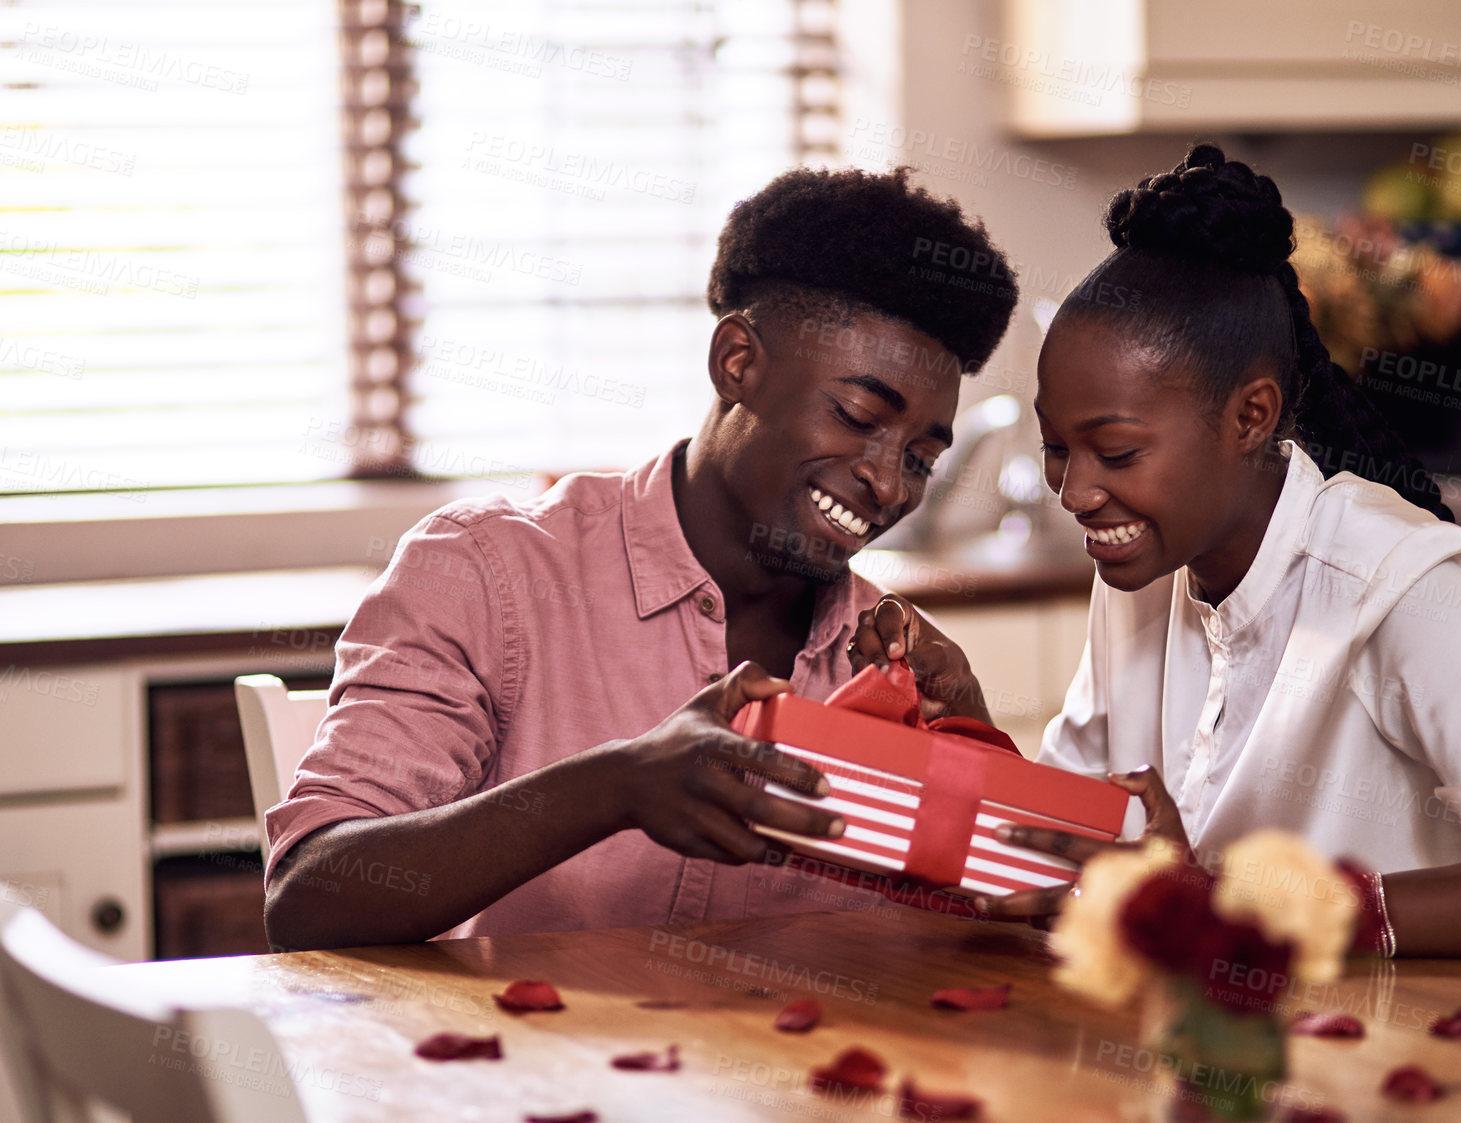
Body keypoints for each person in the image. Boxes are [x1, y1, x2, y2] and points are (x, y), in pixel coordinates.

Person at [850, 144, 1461, 960]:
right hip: (1206, 1046)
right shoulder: (1142, 570)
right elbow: (1078, 837)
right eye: (1055, 450)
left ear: (1250, 415)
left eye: (1114, 453)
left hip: (1384, 1054)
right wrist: (966, 715)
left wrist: (1234, 905)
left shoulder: (1400, 584)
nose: (1073, 492)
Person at [262, 167, 1018, 950]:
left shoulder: (897, 661)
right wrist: (614, 786)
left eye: (922, 458)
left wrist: (976, 756)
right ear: (737, 361)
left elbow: (986, 949)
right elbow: (310, 899)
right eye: (857, 415)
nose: (888, 481)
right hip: (525, 1067)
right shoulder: (488, 572)